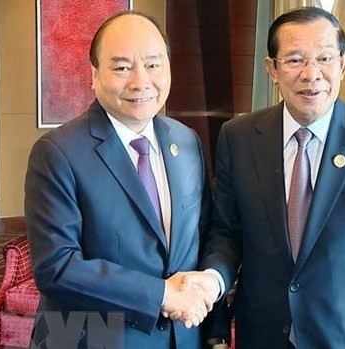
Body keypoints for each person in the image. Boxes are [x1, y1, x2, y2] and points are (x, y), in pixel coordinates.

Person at [190, 6, 345, 349]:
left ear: (344, 64)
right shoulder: (239, 137)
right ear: (272, 69)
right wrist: (212, 285)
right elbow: (226, 234)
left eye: (324, 58)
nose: (311, 74)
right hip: (263, 333)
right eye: (294, 60)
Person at [24, 11, 215, 349]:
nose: (141, 81)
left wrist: (209, 297)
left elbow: (206, 234)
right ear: (93, 75)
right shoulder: (57, 152)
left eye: (154, 64)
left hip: (180, 338)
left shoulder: (186, 143)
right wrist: (161, 295)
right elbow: (56, 266)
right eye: (123, 67)